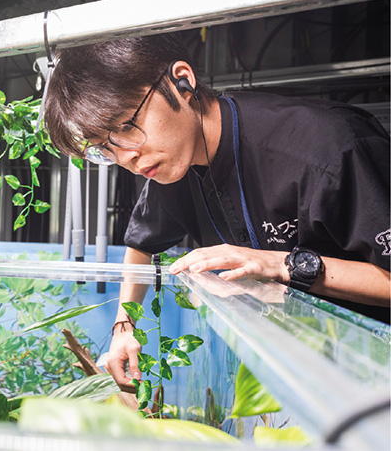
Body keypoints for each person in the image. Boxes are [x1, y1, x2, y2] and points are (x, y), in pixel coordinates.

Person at [43, 32, 390, 388]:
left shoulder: (327, 150)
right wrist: (124, 326)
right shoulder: (168, 165)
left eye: (126, 126)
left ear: (182, 81)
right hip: (304, 371)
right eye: (105, 148)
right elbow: (142, 245)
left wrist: (280, 265)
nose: (126, 157)